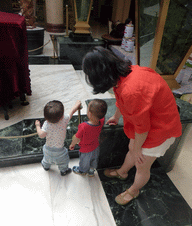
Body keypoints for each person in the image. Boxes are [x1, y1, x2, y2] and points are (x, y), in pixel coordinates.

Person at [82, 46, 182, 205]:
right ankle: (123, 172)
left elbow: (143, 127)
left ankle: (133, 190)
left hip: (161, 129)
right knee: (132, 148)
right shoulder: (125, 74)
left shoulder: (131, 91)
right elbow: (121, 99)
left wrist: (137, 149)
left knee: (142, 164)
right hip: (149, 122)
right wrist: (116, 117)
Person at [35, 100, 81, 176]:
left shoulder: (46, 124)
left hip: (48, 149)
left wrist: (37, 126)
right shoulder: (64, 119)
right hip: (60, 151)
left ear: (45, 117)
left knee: (47, 159)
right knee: (63, 162)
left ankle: (46, 166)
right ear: (62, 115)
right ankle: (64, 171)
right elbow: (72, 111)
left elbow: (41, 135)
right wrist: (77, 104)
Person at [69, 99, 107, 177]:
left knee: (84, 161)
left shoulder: (83, 126)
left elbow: (76, 137)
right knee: (94, 159)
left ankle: (82, 171)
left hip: (85, 149)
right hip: (96, 146)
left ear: (89, 113)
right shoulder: (101, 121)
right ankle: (91, 171)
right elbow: (102, 117)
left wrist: (72, 144)